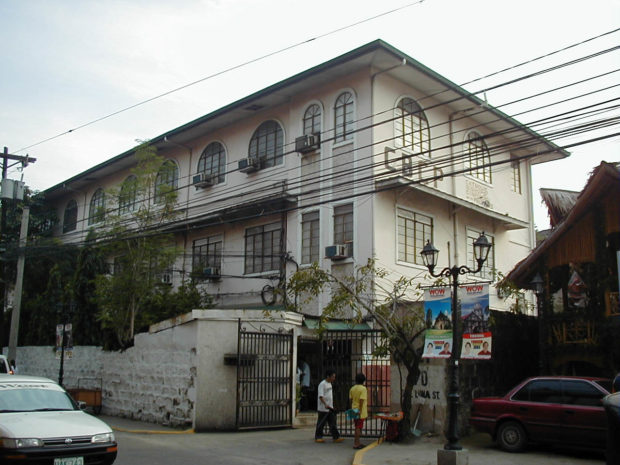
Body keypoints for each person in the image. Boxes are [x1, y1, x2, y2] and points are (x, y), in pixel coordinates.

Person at [315, 370, 343, 443]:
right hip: (323, 408)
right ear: (328, 376)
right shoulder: (322, 384)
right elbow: (321, 396)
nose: (334, 378)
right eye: (333, 377)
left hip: (330, 407)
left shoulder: (330, 384)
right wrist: (325, 404)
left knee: (332, 423)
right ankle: (318, 437)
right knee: (321, 423)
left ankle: (336, 437)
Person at [349, 373, 368, 450]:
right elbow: (362, 400)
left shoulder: (352, 388)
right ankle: (356, 443)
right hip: (360, 411)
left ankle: (358, 442)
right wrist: (359, 410)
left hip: (354, 409)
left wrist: (352, 408)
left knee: (357, 426)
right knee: (358, 427)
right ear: (363, 381)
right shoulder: (363, 389)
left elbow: (350, 399)